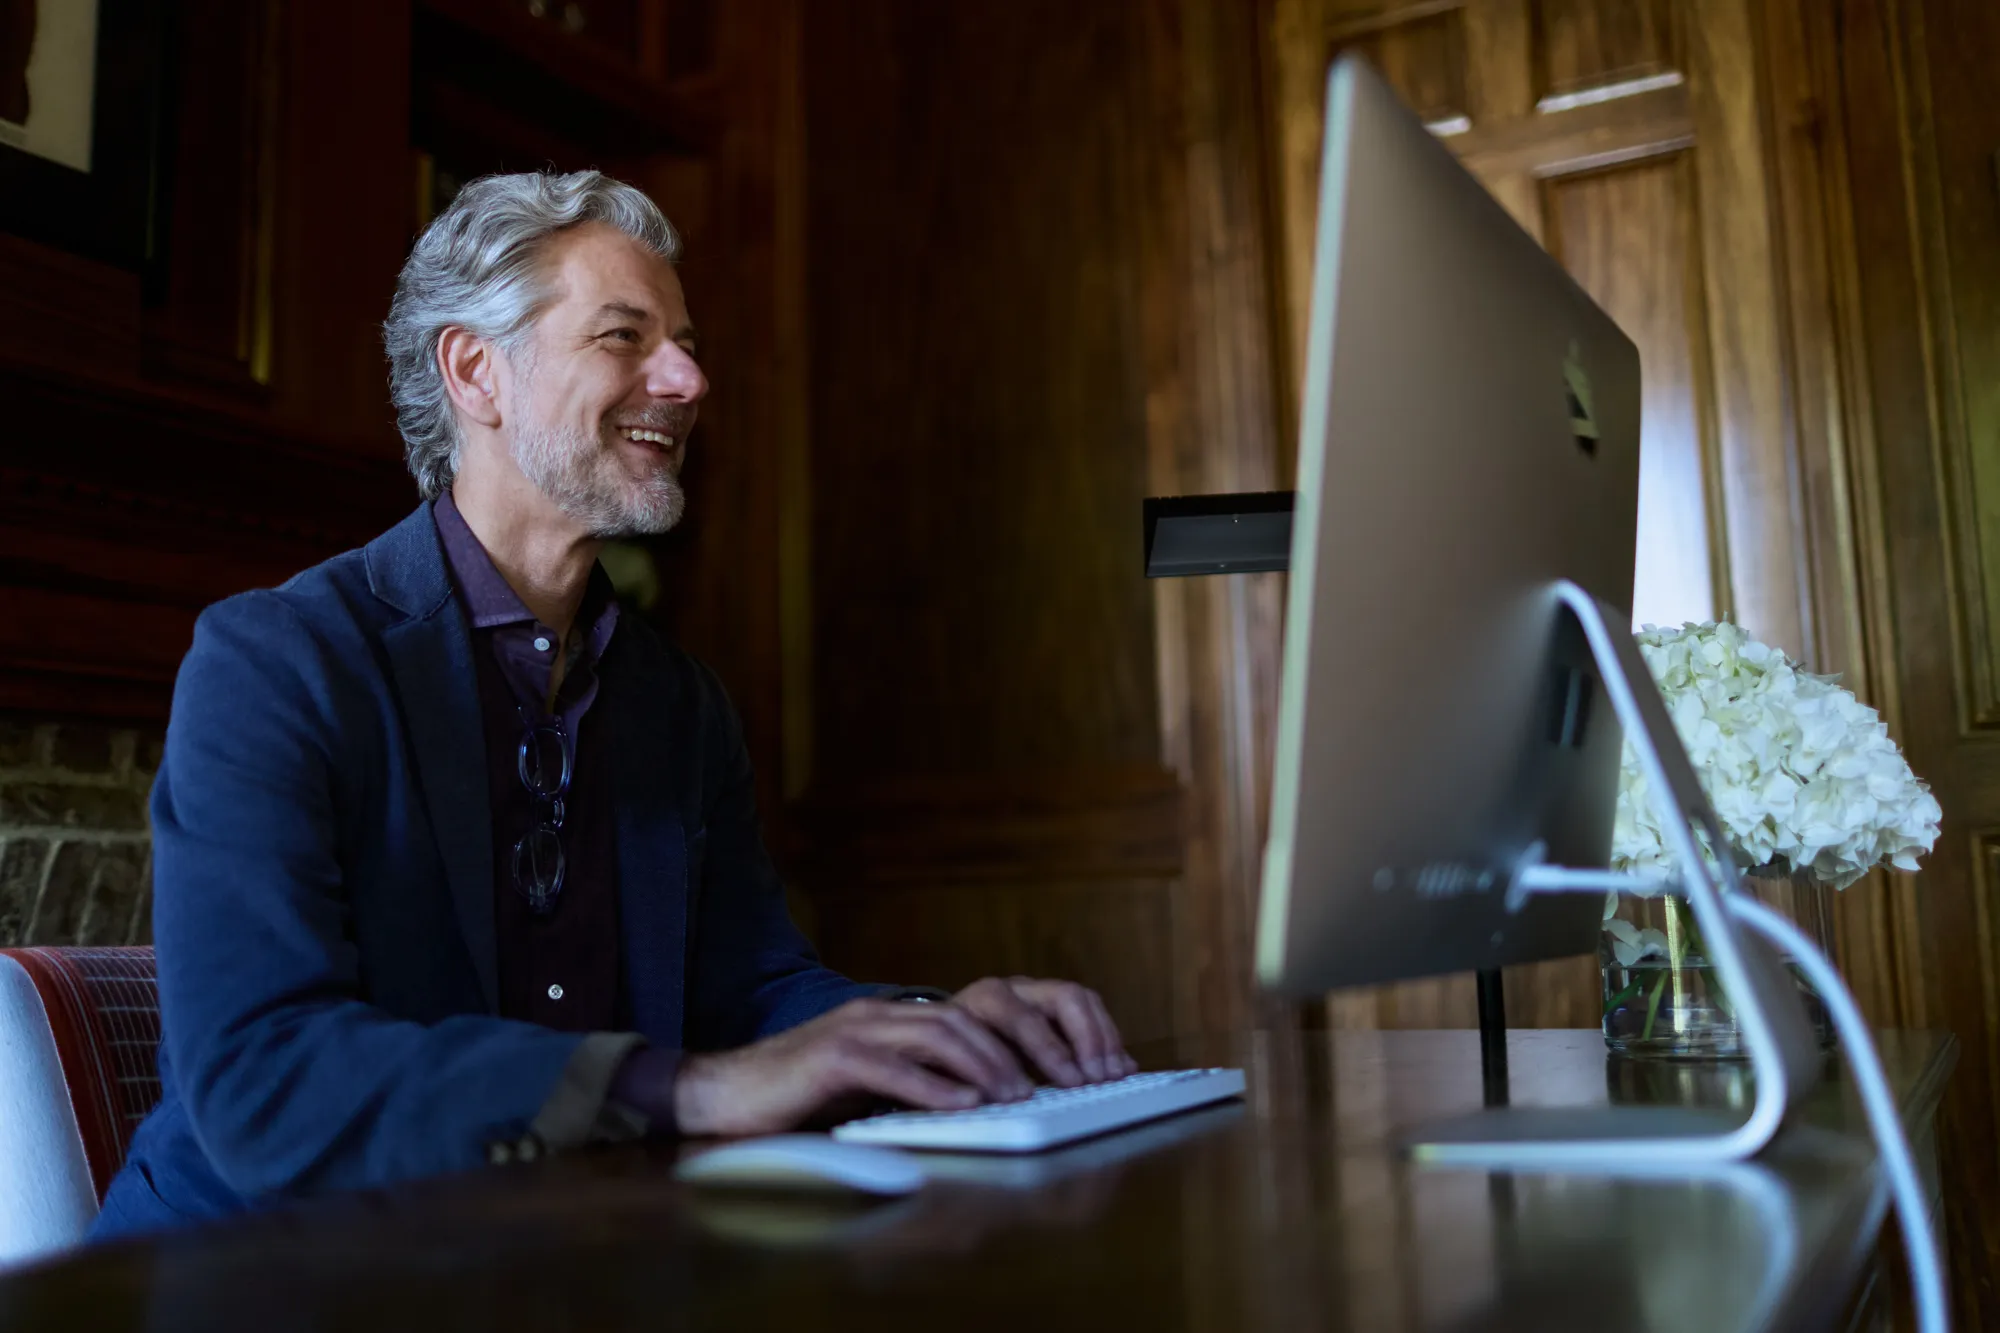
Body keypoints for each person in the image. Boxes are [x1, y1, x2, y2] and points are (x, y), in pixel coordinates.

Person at [91, 170, 1134, 1238]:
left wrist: (930, 1029)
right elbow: (265, 1076)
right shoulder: (275, 662)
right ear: (474, 371)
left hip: (545, 1263)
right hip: (247, 1275)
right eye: (624, 337)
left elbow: (753, 986)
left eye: (683, 343)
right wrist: (680, 1091)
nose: (685, 379)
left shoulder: (678, 704)